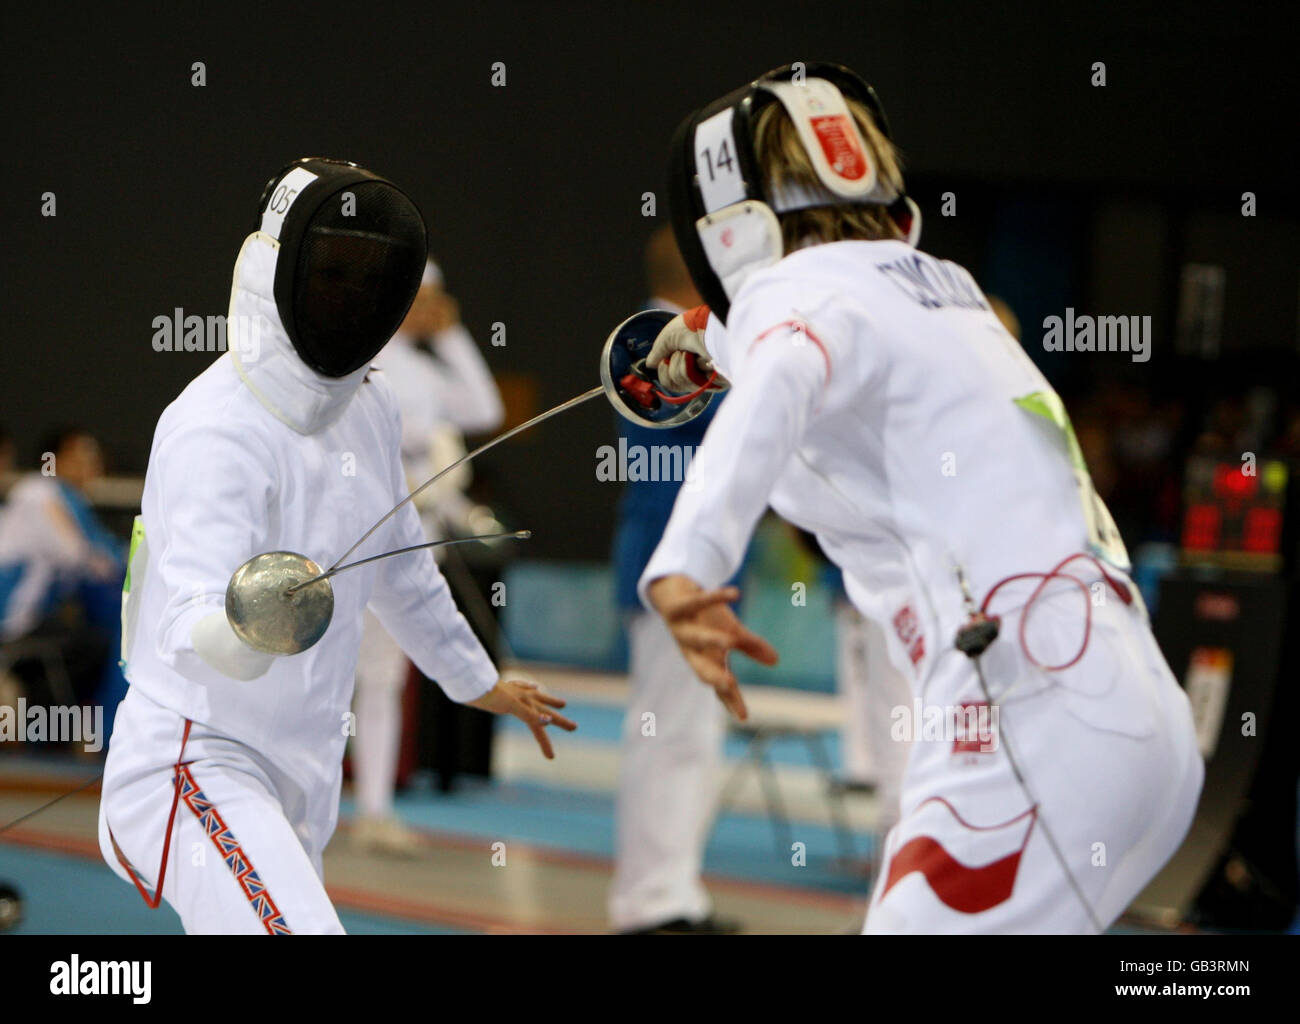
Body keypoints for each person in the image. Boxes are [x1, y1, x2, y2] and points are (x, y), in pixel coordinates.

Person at [638, 64, 1203, 933]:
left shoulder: (793, 300)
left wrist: (685, 566)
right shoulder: (943, 287)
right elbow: (828, 335)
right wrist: (705, 341)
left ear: (732, 230)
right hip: (1118, 716)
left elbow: (781, 372)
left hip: (1027, 725)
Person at [96, 158, 573, 934]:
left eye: (373, 277)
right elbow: (182, 619)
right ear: (274, 271)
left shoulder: (370, 407)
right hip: (193, 769)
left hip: (302, 775)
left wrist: (474, 678)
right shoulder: (215, 425)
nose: (353, 296)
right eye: (335, 272)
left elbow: (403, 565)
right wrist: (251, 623)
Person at [607, 226, 740, 934]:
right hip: (669, 567)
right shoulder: (651, 336)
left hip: (698, 568)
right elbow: (728, 412)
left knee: (692, 740)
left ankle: (674, 894)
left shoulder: (701, 339)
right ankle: (649, 904)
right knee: (667, 737)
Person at [351, 256, 504, 855]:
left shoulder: (423, 363)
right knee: (332, 670)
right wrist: (422, 438)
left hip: (417, 538)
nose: (432, 309)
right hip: (361, 534)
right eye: (424, 299)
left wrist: (451, 334)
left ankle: (374, 809)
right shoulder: (363, 356)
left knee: (383, 677)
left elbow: (485, 410)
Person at [0, 428, 123, 712]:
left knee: (99, 635)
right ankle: (82, 729)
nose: (89, 468)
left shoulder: (72, 501)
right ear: (55, 459)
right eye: (79, 458)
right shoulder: (39, 491)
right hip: (11, 613)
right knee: (105, 637)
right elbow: (83, 556)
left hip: (36, 612)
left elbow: (104, 552)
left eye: (95, 460)